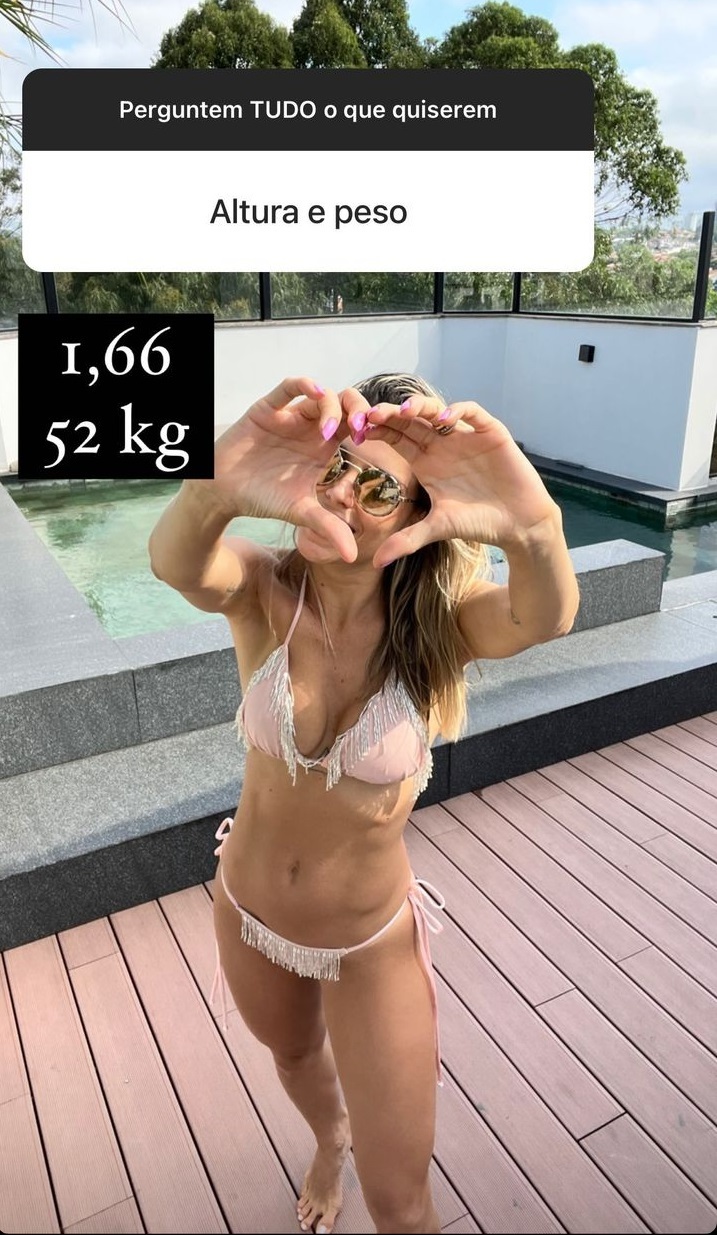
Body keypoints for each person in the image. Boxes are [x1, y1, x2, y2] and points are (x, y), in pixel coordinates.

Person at [148, 373, 580, 1235]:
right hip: (248, 908)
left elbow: (544, 617)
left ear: (423, 515)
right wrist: (216, 488)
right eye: (338, 466)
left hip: (367, 941)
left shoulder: (443, 627)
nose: (344, 492)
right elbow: (177, 563)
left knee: (403, 1208)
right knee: (292, 1053)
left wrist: (534, 525)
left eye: (379, 486)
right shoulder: (263, 588)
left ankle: (352, 1149)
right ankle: (327, 1136)